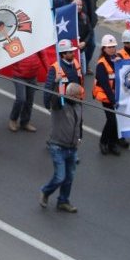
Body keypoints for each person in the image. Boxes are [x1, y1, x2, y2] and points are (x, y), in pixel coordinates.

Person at [40, 81, 83, 214]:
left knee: (69, 177)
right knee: (60, 177)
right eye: (77, 96)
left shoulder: (78, 106)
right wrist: (55, 83)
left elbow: (79, 123)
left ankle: (63, 201)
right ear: (70, 95)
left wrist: (79, 137)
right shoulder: (60, 104)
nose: (79, 98)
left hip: (72, 147)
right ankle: (45, 192)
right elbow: (53, 97)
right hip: (58, 146)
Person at [94, 35, 124, 155]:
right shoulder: (101, 64)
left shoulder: (117, 58)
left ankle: (113, 143)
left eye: (113, 47)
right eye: (109, 47)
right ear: (104, 49)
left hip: (118, 95)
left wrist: (120, 63)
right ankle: (104, 141)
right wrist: (112, 100)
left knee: (117, 120)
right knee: (111, 120)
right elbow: (105, 84)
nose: (112, 49)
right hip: (107, 97)